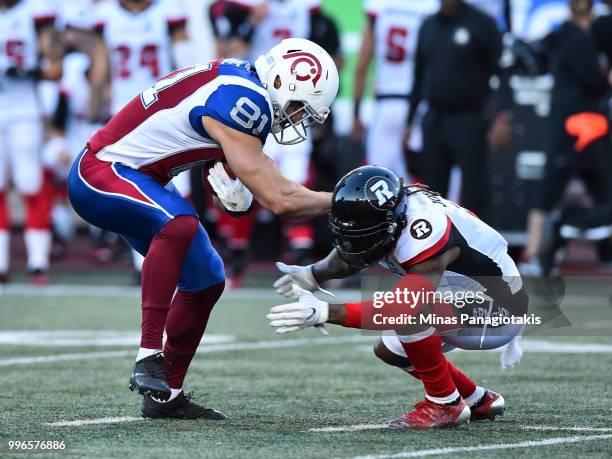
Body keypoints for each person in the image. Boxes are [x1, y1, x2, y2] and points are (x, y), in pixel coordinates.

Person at [67, 38, 339, 419]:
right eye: (297, 108)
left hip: (143, 177)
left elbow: (228, 181)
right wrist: (343, 199)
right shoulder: (243, 99)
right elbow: (280, 199)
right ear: (281, 83)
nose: (296, 120)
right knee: (178, 225)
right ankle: (148, 355)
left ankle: (166, 396)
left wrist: (235, 189)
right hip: (101, 171)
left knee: (207, 278)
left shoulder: (240, 82)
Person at [268, 166, 527, 429]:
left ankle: (445, 405)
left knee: (409, 314)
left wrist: (324, 312)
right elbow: (356, 251)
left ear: (392, 223)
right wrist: (312, 275)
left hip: (498, 308)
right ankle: (477, 399)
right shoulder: (390, 215)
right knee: (391, 351)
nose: (354, 242)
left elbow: (403, 309)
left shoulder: (425, 231)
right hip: (461, 294)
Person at [90, 0, 193, 276]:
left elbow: (186, 64)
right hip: (124, 112)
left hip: (165, 112)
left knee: (177, 187)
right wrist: (94, 103)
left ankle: (184, 256)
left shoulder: (169, 12)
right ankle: (145, 264)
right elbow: (101, 65)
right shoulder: (106, 15)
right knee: (134, 189)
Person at [523, 0, 611, 273]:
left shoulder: (602, 29)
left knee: (604, 192)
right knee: (547, 191)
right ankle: (536, 253)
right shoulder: (562, 34)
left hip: (594, 123)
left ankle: (604, 250)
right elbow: (535, 57)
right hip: (568, 125)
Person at [405, 0, 510, 219]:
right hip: (434, 118)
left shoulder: (482, 24)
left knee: (475, 192)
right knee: (432, 194)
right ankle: (435, 249)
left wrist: (503, 115)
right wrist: (409, 121)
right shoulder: (428, 26)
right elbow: (418, 77)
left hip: (469, 118)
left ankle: (478, 251)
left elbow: (502, 73)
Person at [352, 0, 437, 181]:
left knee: (373, 181)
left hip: (387, 102)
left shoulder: (379, 6)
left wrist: (356, 112)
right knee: (422, 182)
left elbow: (362, 66)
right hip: (420, 102)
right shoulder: (431, 7)